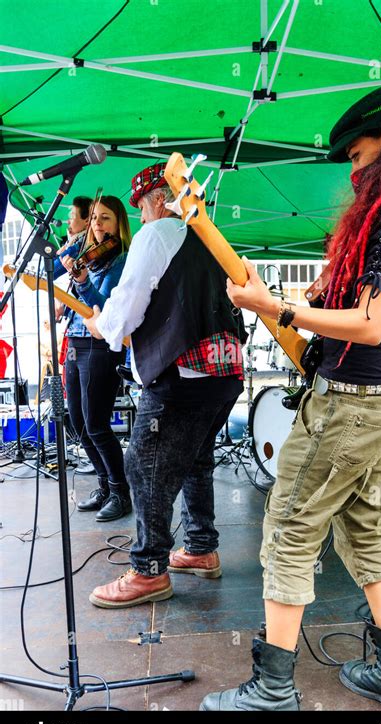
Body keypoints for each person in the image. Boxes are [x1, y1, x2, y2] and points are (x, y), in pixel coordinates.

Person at [200, 84, 381, 711]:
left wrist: (277, 306)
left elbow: (373, 324)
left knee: (290, 530)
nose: (351, 166)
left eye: (357, 152)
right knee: (362, 532)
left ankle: (272, 689)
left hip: (350, 405)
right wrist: (297, 302)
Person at [83, 163, 247, 609]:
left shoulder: (157, 235)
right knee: (195, 461)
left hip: (182, 376)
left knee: (143, 465)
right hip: (227, 373)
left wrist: (105, 326)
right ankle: (199, 548)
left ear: (157, 200)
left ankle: (149, 570)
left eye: (139, 209)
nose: (139, 219)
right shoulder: (212, 238)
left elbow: (129, 303)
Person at [54, 195, 132, 521]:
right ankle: (104, 485)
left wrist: (83, 283)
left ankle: (120, 491)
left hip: (100, 345)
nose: (98, 225)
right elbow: (52, 270)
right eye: (95, 219)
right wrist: (70, 253)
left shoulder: (121, 260)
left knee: (97, 424)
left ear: (119, 225)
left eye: (105, 219)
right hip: (75, 340)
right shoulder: (87, 254)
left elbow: (104, 309)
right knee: (78, 423)